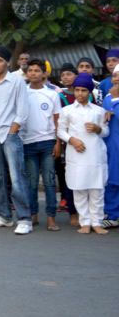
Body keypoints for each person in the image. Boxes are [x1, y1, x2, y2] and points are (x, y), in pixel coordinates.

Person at [0, 45, 33, 234]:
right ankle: (3, 216)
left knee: (17, 178)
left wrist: (13, 131)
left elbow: (23, 110)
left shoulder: (17, 81)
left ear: (7, 62)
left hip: (10, 136)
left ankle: (25, 219)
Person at [57, 73, 110, 235]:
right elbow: (60, 131)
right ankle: (85, 222)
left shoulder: (99, 111)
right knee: (79, 189)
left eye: (84, 91)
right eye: (77, 90)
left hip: (95, 155)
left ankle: (97, 222)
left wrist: (98, 129)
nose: (80, 94)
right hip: (76, 155)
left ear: (90, 92)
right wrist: (72, 140)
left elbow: (106, 132)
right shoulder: (67, 110)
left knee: (97, 190)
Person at [21, 59, 62, 231]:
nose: (33, 73)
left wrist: (58, 143)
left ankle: (51, 218)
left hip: (47, 143)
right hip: (27, 143)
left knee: (49, 182)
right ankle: (33, 215)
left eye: (37, 70)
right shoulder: (22, 92)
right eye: (30, 70)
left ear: (44, 73)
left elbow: (57, 120)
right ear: (26, 73)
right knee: (30, 183)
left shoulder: (52, 94)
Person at [56, 62, 85, 225]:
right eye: (63, 75)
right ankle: (72, 209)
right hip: (67, 141)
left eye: (69, 74)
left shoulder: (88, 93)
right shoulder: (59, 95)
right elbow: (58, 123)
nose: (66, 77)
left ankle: (86, 212)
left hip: (86, 142)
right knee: (69, 176)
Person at [102, 64, 119, 229]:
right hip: (111, 147)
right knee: (112, 180)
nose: (117, 79)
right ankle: (113, 215)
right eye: (115, 76)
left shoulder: (111, 99)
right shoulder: (107, 98)